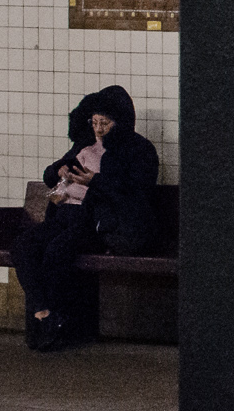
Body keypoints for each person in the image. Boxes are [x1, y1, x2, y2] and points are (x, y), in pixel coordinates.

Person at [11, 85, 159, 351]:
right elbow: (49, 175)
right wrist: (59, 169)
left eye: (105, 123)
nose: (99, 129)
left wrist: (95, 181)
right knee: (25, 245)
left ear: (120, 122)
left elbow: (138, 193)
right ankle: (44, 314)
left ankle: (60, 321)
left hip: (97, 221)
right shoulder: (83, 144)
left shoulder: (139, 150)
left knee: (57, 251)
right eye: (94, 122)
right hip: (63, 214)